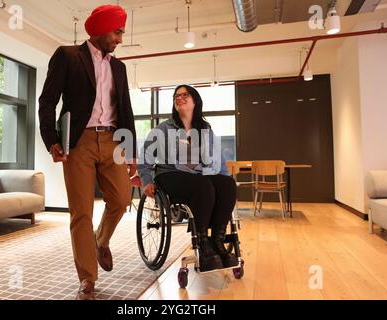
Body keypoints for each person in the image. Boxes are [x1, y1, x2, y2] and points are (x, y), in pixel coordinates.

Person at [38, 5, 137, 300]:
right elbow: (47, 101)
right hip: (78, 143)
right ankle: (87, 279)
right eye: (117, 32)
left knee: (121, 199)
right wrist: (52, 139)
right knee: (81, 212)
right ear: (101, 29)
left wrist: (130, 150)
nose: (120, 39)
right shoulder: (68, 56)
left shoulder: (118, 67)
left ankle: (101, 240)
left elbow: (126, 110)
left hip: (113, 140)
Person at [138, 85, 238, 272]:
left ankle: (217, 240)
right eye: (177, 96)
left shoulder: (205, 129)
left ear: (195, 101)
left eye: (185, 95)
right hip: (169, 175)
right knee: (203, 185)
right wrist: (146, 180)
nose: (180, 98)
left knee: (227, 184)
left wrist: (225, 183)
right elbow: (144, 158)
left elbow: (218, 159)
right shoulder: (162, 129)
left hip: (198, 177)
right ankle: (202, 242)